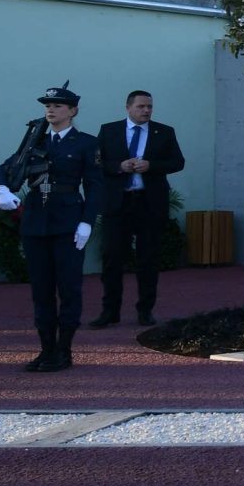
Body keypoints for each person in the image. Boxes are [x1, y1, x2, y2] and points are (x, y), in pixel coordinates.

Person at [0, 83, 99, 372]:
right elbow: (7, 167)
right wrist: (0, 187)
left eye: (58, 106)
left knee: (68, 288)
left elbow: (95, 185)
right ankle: (46, 349)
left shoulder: (86, 143)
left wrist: (87, 221)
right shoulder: (34, 141)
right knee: (41, 290)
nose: (51, 110)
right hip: (36, 221)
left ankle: (64, 350)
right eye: (48, 106)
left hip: (68, 221)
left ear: (73, 111)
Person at [93, 90, 184, 326]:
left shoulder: (164, 132)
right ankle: (109, 311)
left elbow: (178, 162)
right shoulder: (109, 130)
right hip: (118, 202)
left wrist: (151, 165)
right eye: (141, 106)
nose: (146, 110)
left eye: (149, 107)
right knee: (112, 258)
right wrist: (119, 166)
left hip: (149, 203)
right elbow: (97, 163)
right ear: (128, 107)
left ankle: (145, 311)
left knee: (148, 259)